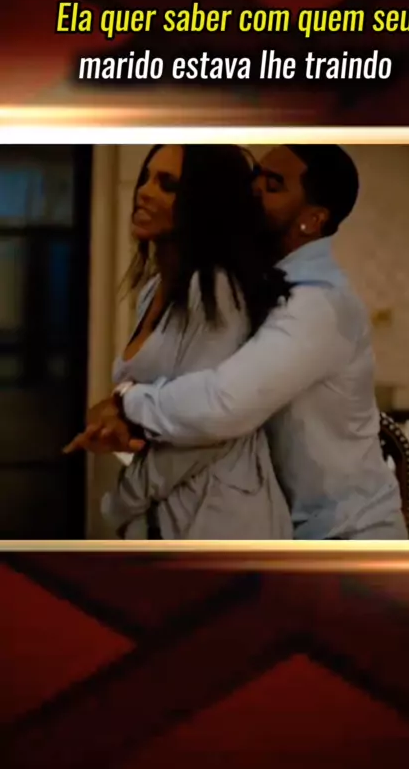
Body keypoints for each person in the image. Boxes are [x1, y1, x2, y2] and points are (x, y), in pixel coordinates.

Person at [72, 144, 408, 540]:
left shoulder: (317, 304)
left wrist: (127, 402)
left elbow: (223, 405)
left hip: (346, 534)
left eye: (273, 185)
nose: (254, 190)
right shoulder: (251, 281)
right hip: (292, 527)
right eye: (255, 177)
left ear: (311, 220)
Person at [65, 144, 293, 540]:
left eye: (167, 185)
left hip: (222, 520)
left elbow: (207, 428)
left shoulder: (216, 291)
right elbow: (164, 402)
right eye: (147, 178)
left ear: (203, 204)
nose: (144, 191)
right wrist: (119, 418)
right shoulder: (153, 289)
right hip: (171, 512)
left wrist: (122, 501)